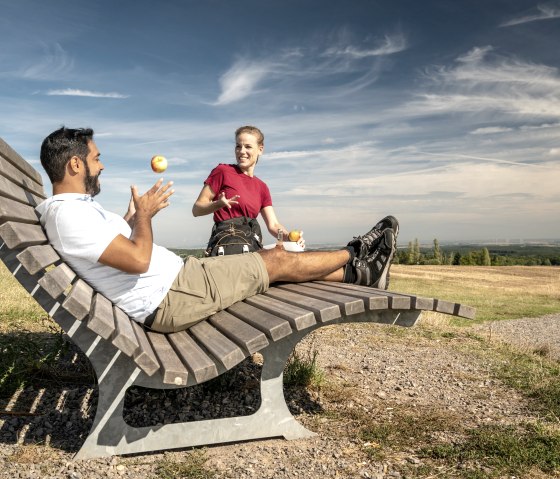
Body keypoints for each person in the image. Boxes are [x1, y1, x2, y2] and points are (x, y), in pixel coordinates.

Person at [36, 127, 399, 334]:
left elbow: (115, 251)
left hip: (181, 278)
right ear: (74, 163)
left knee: (274, 258)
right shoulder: (68, 216)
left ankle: (359, 271)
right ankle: (356, 254)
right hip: (170, 298)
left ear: (259, 151)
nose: (102, 165)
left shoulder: (76, 211)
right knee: (274, 261)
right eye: (96, 159)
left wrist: (132, 219)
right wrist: (144, 217)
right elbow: (137, 260)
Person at [192, 126, 303, 255]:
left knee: (296, 249)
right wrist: (218, 204)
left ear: (260, 149)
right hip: (226, 246)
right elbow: (196, 210)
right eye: (238, 146)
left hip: (251, 245)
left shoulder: (262, 187)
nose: (241, 151)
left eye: (248, 147)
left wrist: (288, 237)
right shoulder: (223, 171)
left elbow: (273, 225)